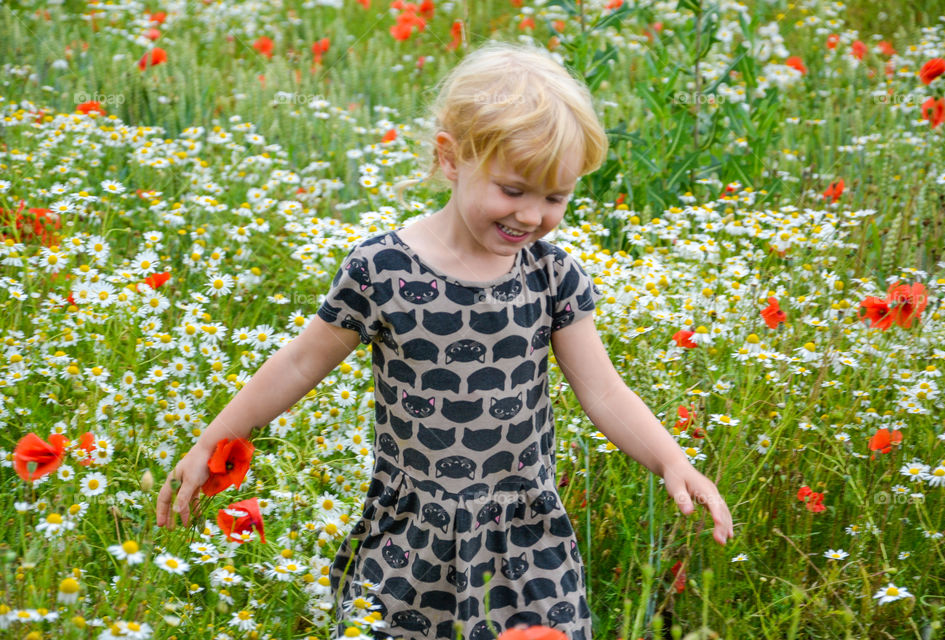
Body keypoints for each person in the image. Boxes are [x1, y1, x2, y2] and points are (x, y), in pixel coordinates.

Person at [156, 40, 734, 640]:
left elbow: (605, 392)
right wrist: (213, 440)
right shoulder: (382, 269)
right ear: (452, 159)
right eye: (514, 190)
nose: (533, 216)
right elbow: (301, 362)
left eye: (555, 197)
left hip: (525, 534)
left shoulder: (551, 275)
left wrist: (672, 460)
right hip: (412, 532)